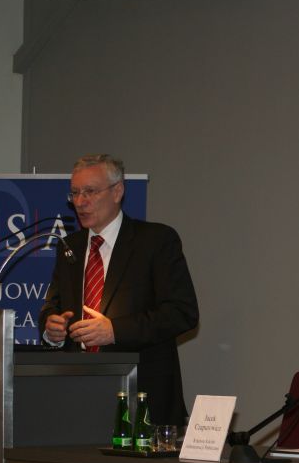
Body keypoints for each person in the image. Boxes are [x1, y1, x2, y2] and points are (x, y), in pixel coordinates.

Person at [39, 154, 199, 426]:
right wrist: (51, 329)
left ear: (117, 192)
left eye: (90, 191)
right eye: (75, 193)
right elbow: (53, 306)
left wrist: (115, 330)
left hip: (142, 395)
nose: (80, 202)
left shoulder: (156, 241)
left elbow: (182, 313)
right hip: (77, 395)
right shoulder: (69, 247)